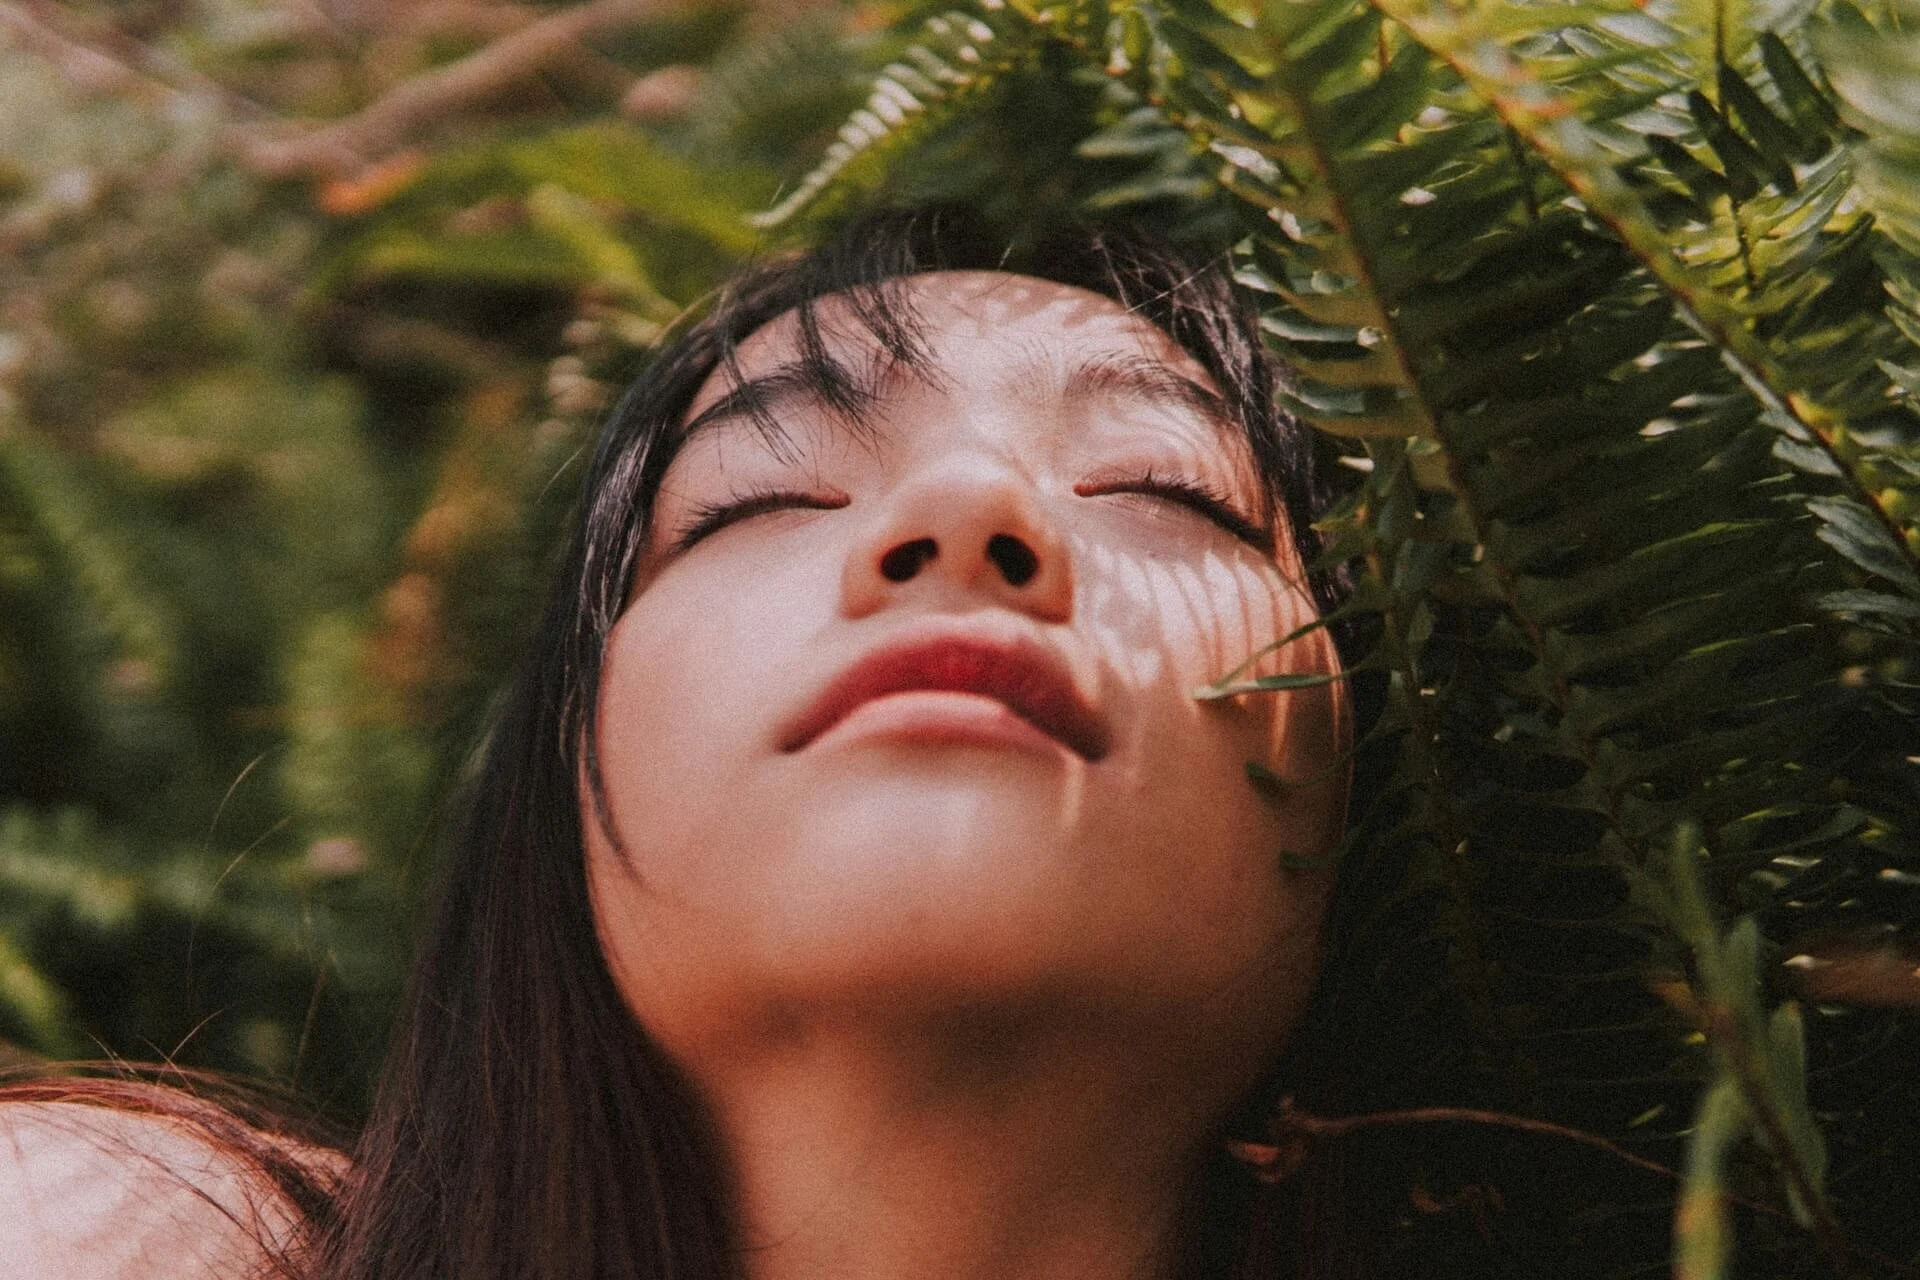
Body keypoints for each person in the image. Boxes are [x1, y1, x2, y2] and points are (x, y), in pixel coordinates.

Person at [0, 205, 1361, 1280]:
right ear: (558, 772)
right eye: (764, 495)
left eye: (1161, 488)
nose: (966, 507)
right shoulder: (120, 1237)